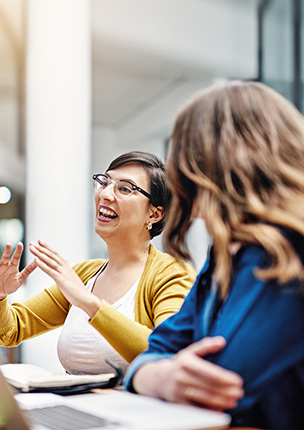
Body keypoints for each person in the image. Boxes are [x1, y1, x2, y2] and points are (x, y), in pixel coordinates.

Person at [124, 81, 304, 428]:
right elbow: (157, 347)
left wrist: (164, 374)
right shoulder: (223, 259)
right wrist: (159, 377)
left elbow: (223, 382)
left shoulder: (287, 250)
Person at [0, 151, 195, 374]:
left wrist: (88, 302)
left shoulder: (171, 274)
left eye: (124, 188)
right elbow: (7, 332)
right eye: (105, 182)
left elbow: (168, 353)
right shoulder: (85, 274)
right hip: (71, 407)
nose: (105, 194)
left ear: (154, 214)